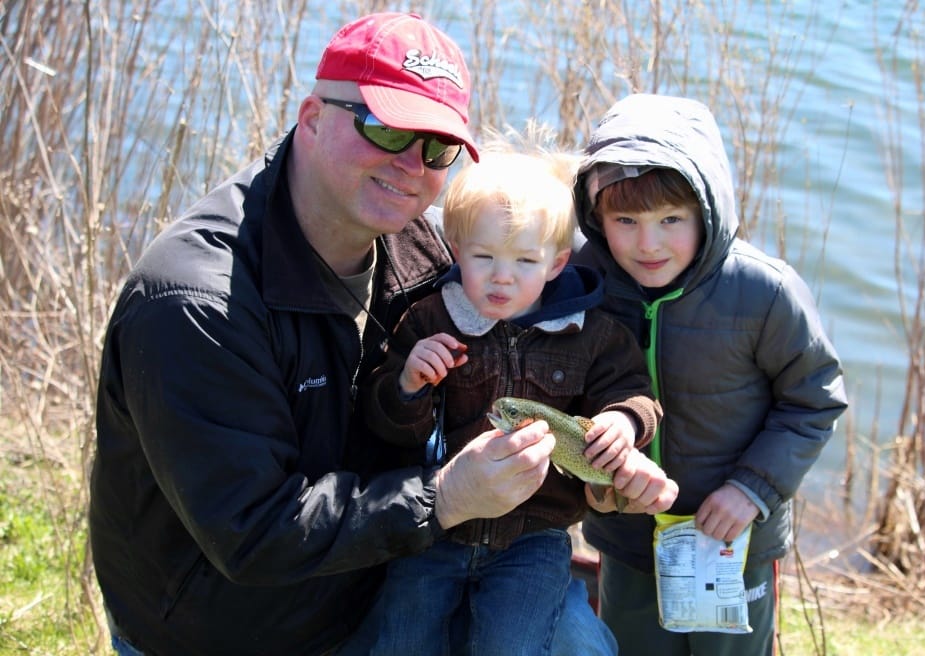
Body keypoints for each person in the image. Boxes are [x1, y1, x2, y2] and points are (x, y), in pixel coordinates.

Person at [87, 14, 676, 656]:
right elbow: (254, 531)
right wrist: (446, 497)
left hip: (388, 571)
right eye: (385, 127)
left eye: (437, 147)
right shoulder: (196, 301)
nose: (410, 165)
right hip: (231, 628)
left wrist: (601, 470)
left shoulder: (426, 244)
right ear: (312, 117)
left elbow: (531, 348)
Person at [360, 146, 669, 655]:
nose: (503, 277)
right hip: (437, 525)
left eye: (526, 260)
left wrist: (623, 422)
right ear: (456, 250)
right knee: (401, 640)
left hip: (535, 535)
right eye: (485, 258)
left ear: (557, 264)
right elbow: (388, 424)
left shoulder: (590, 335)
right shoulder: (430, 320)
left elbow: (632, 392)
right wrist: (408, 384)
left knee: (514, 646)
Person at [573, 93, 849, 656]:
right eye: (625, 220)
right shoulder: (581, 280)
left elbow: (814, 400)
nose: (648, 243)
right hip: (629, 540)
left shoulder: (764, 291)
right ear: (596, 216)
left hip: (735, 538)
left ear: (708, 209)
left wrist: (754, 488)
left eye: (671, 220)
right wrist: (590, 480)